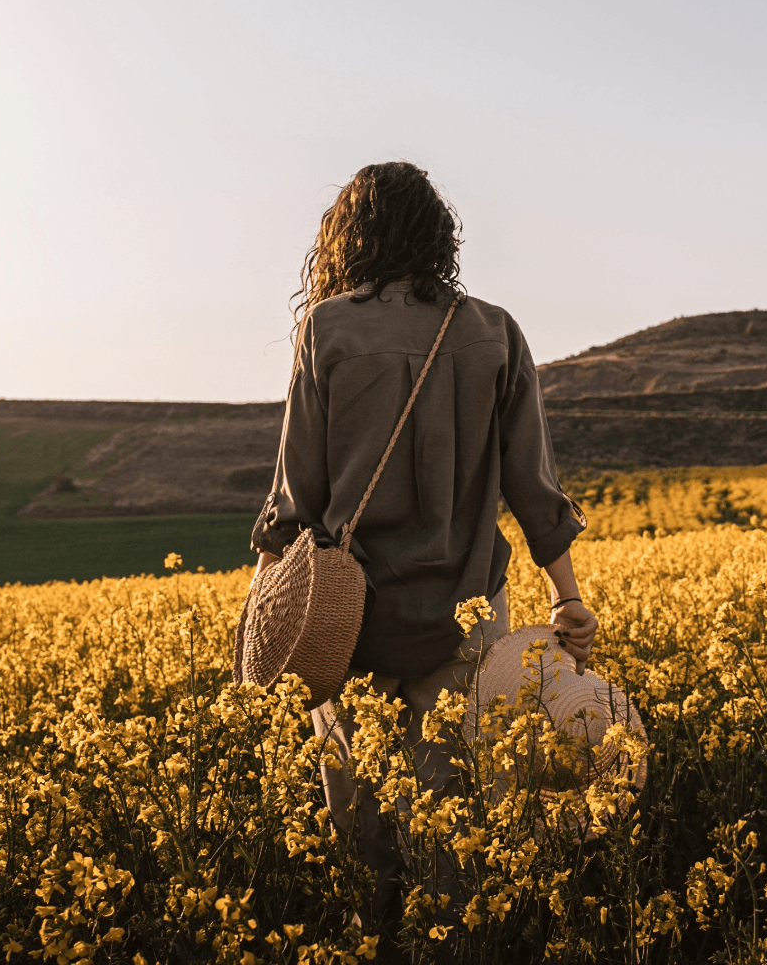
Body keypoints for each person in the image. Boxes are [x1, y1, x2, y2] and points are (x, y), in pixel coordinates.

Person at [249, 161, 597, 953]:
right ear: (439, 237)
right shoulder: (493, 331)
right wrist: (566, 598)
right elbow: (534, 490)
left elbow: (295, 499)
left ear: (348, 236)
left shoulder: (327, 330)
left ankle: (381, 942)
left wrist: (266, 607)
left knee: (365, 831)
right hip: (465, 621)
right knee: (456, 829)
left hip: (347, 627)